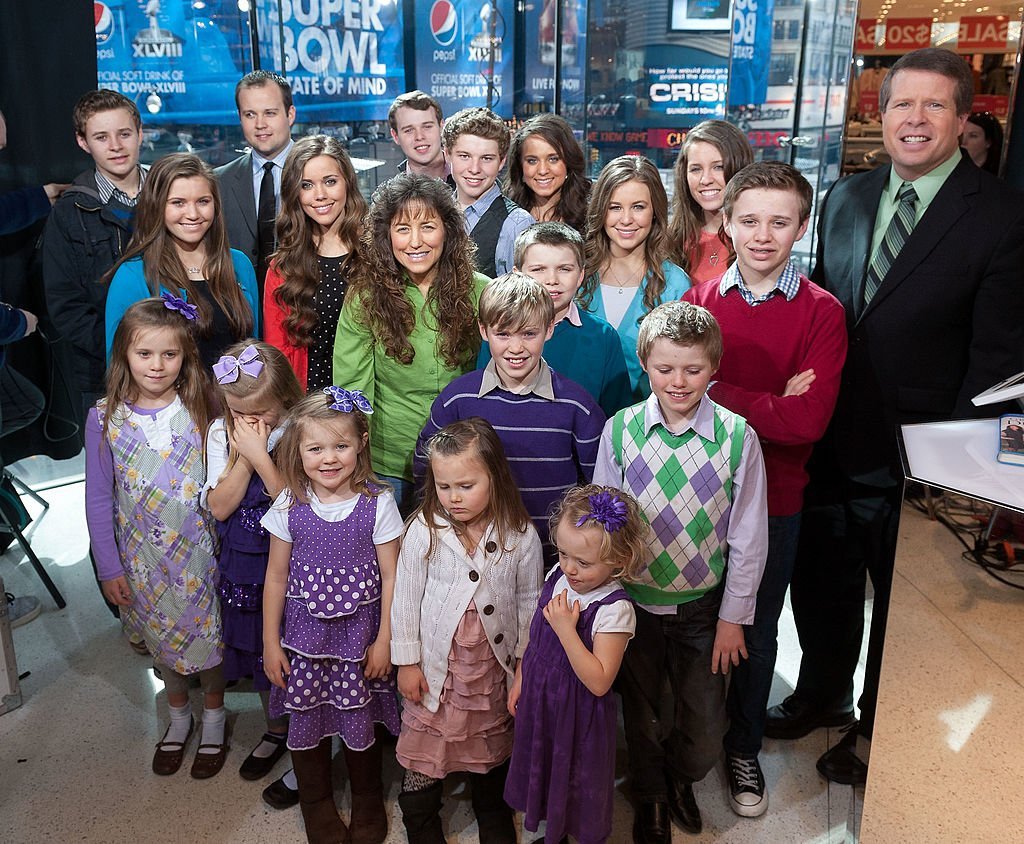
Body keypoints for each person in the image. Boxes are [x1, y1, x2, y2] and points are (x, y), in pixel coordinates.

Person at [769, 47, 1024, 787]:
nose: (913, 119)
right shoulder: (847, 197)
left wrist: (965, 470)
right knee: (821, 583)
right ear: (880, 117)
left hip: (923, 458)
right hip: (827, 440)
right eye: (899, 105)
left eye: (932, 105)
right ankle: (822, 691)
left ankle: (880, 723)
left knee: (905, 610)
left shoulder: (1003, 217)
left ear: (964, 113)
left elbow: (1000, 363)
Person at [683, 162, 847, 817]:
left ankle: (743, 748)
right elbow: (678, 397)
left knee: (753, 628)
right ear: (727, 221)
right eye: (749, 219)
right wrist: (765, 400)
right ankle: (690, 741)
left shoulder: (821, 312)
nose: (762, 234)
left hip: (775, 500)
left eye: (780, 221)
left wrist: (717, 393)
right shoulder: (698, 304)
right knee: (693, 627)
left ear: (801, 228)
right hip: (694, 495)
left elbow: (807, 423)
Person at [592, 300, 768, 842]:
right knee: (642, 712)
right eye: (665, 368)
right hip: (634, 605)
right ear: (645, 363)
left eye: (693, 369)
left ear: (713, 367)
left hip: (702, 609)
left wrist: (734, 618)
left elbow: (749, 537)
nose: (678, 381)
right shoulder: (621, 432)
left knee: (703, 726)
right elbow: (604, 517)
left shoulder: (738, 439)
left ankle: (681, 778)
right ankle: (649, 798)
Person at [85, 297, 228, 779]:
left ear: (185, 357)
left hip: (202, 557)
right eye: (144, 354)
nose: (157, 365)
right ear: (124, 354)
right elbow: (98, 497)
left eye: (169, 355)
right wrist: (108, 567)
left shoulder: (200, 406)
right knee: (165, 642)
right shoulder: (104, 418)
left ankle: (213, 716)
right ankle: (179, 716)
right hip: (144, 561)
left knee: (210, 641)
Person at [391, 418, 543, 844]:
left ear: (494, 477)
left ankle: (492, 809)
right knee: (426, 751)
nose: (453, 498)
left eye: (465, 485)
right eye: (444, 487)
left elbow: (530, 604)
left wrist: (523, 666)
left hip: (489, 672)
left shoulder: (521, 535)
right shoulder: (424, 530)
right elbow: (404, 598)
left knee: (488, 747)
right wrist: (406, 661)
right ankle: (421, 822)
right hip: (438, 669)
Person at [261, 388, 402, 844]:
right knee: (306, 720)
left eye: (340, 445)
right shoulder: (289, 504)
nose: (328, 458)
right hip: (304, 643)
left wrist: (384, 641)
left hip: (359, 644)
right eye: (315, 448)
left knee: (360, 721)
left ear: (361, 442)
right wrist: (269, 642)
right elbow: (277, 578)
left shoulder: (378, 502)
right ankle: (316, 803)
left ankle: (366, 798)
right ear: (297, 451)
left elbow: (392, 578)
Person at [333, 174, 488, 513]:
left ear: (448, 230)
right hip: (390, 462)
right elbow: (352, 387)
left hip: (464, 458)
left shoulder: (482, 291)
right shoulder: (365, 297)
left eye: (428, 227)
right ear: (386, 236)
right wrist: (357, 463)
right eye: (403, 229)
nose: (415, 241)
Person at [416, 272, 605, 552]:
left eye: (529, 333)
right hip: (471, 555)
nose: (516, 348)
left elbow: (598, 488)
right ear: (483, 331)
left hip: (552, 558)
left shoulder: (577, 406)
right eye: (503, 334)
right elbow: (426, 468)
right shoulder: (457, 399)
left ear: (549, 328)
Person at [504, 484, 647, 844]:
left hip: (578, 715)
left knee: (574, 781)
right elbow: (536, 638)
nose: (569, 568)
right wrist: (521, 677)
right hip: (541, 700)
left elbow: (599, 681)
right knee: (544, 769)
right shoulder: (557, 576)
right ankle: (548, 832)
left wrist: (567, 630)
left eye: (583, 563)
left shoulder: (614, 610)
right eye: (563, 554)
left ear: (619, 560)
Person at [203, 340, 303, 806]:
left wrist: (262, 456)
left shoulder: (299, 431)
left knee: (297, 653)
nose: (251, 424)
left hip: (295, 569)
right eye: (240, 413)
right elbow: (220, 506)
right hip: (245, 570)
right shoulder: (221, 434)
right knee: (258, 653)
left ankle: (308, 733)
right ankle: (276, 728)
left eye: (262, 413)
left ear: (285, 400)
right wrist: (243, 456)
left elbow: (299, 511)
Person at [42, 89, 145, 427]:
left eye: (124, 134)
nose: (115, 145)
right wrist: (126, 351)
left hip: (181, 363)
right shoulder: (71, 210)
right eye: (101, 137)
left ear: (140, 133)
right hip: (104, 372)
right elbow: (65, 305)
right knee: (114, 473)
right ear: (83, 142)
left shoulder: (171, 195)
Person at [104, 153, 259, 367]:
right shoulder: (132, 276)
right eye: (178, 203)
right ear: (157, 206)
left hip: (235, 399)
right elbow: (118, 365)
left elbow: (255, 354)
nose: (193, 214)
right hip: (168, 400)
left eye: (203, 201)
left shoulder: (239, 265)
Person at [478, 223, 631, 416]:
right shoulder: (500, 333)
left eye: (564, 269)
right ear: (518, 274)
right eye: (539, 269)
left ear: (580, 275)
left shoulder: (603, 336)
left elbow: (616, 414)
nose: (552, 279)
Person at [579, 155, 690, 402]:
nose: (626, 219)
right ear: (601, 210)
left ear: (655, 212)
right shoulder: (576, 274)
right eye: (615, 207)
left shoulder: (675, 284)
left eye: (638, 207)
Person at [263, 135, 367, 391]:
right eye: (306, 185)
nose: (319, 195)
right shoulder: (282, 268)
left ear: (347, 183)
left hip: (367, 403)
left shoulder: (376, 254)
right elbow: (279, 353)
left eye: (330, 182)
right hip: (306, 405)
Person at [215, 70, 296, 302]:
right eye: (250, 114)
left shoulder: (318, 176)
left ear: (290, 114)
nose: (260, 124)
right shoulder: (219, 182)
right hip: (240, 312)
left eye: (270, 113)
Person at [442, 107, 535, 278]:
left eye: (486, 158)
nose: (474, 169)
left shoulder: (517, 223)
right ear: (447, 155)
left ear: (501, 162)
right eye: (464, 156)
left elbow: (520, 300)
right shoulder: (436, 210)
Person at [667, 120, 754, 283]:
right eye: (696, 169)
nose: (705, 180)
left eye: (718, 167)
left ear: (739, 169)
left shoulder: (758, 241)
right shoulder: (671, 240)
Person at [504, 113, 591, 232]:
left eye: (553, 159)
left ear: (568, 162)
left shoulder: (591, 213)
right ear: (520, 166)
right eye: (532, 161)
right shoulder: (504, 213)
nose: (543, 170)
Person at [387, 90, 452, 184]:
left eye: (427, 127)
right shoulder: (389, 196)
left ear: (441, 127)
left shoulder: (470, 179)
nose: (419, 136)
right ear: (395, 136)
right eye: (409, 130)